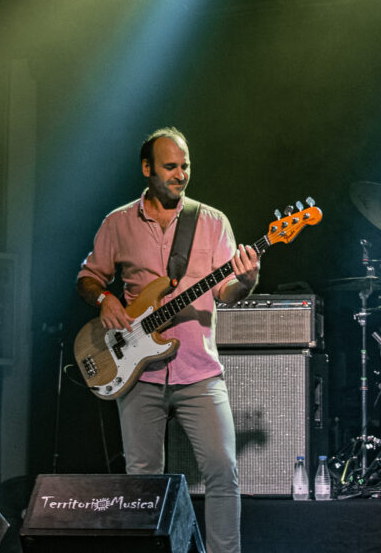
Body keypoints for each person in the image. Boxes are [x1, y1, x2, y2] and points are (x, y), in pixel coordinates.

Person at [77, 128, 258, 553]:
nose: (180, 175)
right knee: (143, 481)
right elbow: (87, 277)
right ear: (147, 169)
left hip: (199, 371)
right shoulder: (117, 222)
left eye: (186, 166)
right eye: (171, 167)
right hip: (137, 373)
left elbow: (225, 291)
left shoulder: (212, 222)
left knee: (223, 471)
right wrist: (104, 299)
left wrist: (247, 281)